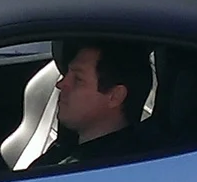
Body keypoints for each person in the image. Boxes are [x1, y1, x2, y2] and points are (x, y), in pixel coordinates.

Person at [29, 40, 154, 170]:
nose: (60, 84)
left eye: (78, 79)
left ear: (115, 96)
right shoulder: (70, 148)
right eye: (66, 74)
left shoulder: (97, 171)